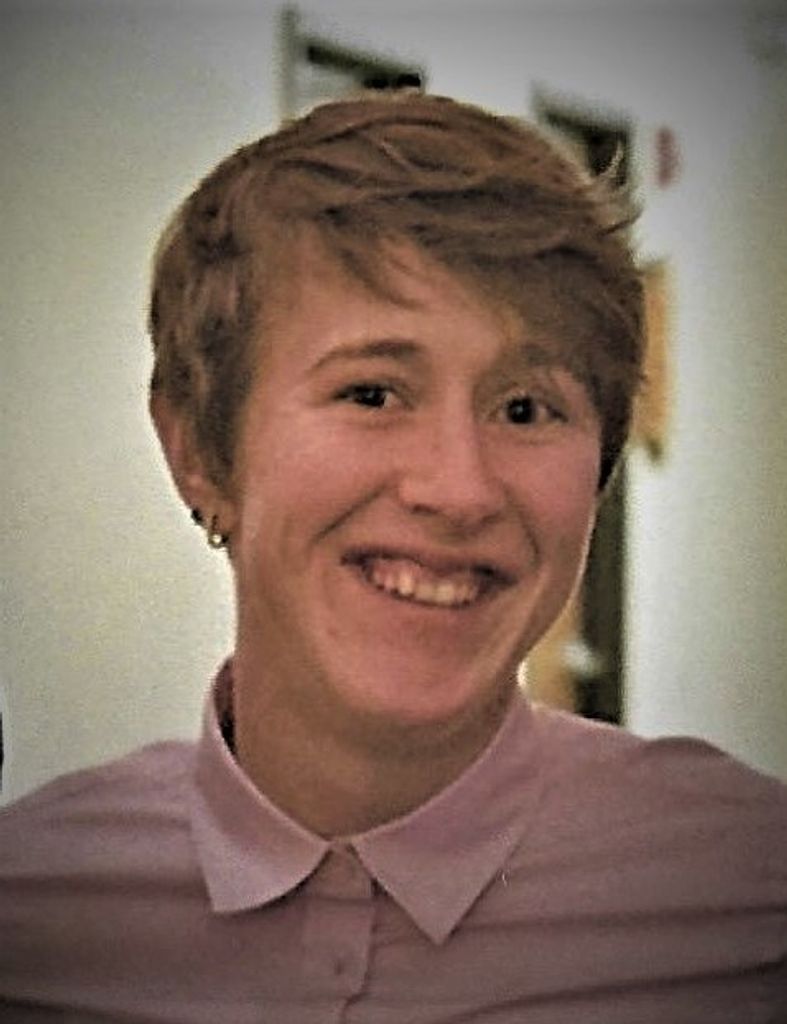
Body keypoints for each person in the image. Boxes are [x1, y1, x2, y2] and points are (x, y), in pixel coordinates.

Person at [0, 91, 784, 1023]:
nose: (459, 489)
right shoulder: (33, 918)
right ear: (199, 451)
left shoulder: (745, 900)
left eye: (525, 409)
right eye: (371, 394)